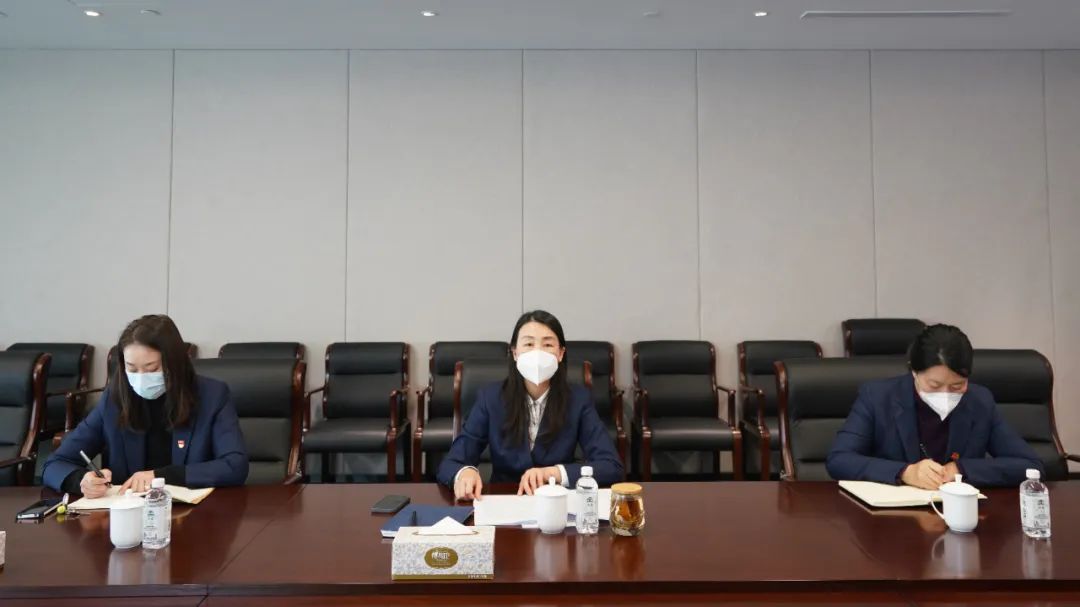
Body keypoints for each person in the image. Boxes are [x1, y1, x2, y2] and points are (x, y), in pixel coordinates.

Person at [43, 314, 248, 496]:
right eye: (132, 369)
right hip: (129, 514)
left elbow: (235, 465)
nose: (141, 378)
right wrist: (81, 481)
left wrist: (162, 476)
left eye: (151, 369)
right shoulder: (114, 399)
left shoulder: (212, 395)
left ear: (175, 364)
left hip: (195, 515)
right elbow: (55, 464)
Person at [826, 323, 1042, 488]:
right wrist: (905, 472)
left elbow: (1030, 465)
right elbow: (840, 460)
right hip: (891, 519)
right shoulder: (877, 397)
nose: (945, 394)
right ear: (914, 371)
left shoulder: (979, 401)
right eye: (934, 385)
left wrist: (961, 469)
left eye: (957, 386)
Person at [438, 310, 624, 500]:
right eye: (528, 344)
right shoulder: (491, 398)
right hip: (505, 500)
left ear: (560, 354)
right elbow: (451, 463)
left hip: (556, 502)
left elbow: (611, 466)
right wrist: (464, 473)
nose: (537, 353)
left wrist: (555, 473)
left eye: (548, 344)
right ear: (515, 353)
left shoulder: (578, 399)